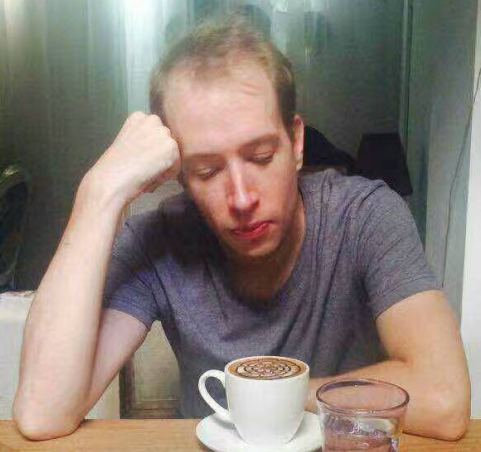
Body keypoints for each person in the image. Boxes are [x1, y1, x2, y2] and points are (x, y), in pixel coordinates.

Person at [13, 16, 470, 441]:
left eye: (261, 157)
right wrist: (98, 193)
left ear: (296, 143)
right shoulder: (157, 240)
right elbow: (42, 412)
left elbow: (444, 398)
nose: (242, 197)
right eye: (208, 170)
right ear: (179, 174)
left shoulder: (366, 216)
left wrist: (276, 398)